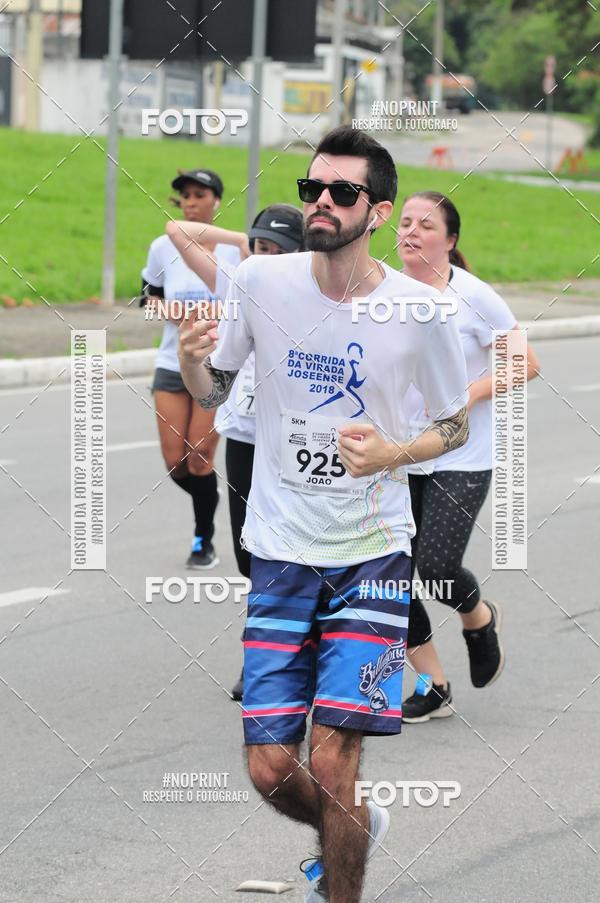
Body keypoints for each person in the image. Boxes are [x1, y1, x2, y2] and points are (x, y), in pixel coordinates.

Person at [178, 126, 470, 903]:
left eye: (342, 193)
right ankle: (354, 827)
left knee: (335, 755)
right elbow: (215, 393)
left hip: (373, 553)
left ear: (376, 211)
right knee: (271, 766)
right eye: (313, 189)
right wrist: (189, 359)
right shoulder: (261, 286)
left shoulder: (420, 310)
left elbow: (455, 424)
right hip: (280, 548)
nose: (322, 203)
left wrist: (393, 454)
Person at [397, 191, 540, 723]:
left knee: (434, 569)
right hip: (396, 455)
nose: (411, 231)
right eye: (405, 222)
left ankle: (478, 619)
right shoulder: (378, 291)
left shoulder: (475, 297)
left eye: (426, 225)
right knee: (386, 573)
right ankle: (432, 684)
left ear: (450, 240)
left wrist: (468, 397)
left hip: (462, 453)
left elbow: (525, 363)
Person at [166, 204, 304, 700]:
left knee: (294, 552)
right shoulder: (237, 279)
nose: (264, 257)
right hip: (245, 436)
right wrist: (245, 243)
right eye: (260, 247)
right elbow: (177, 229)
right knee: (251, 556)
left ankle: (276, 660)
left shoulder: (312, 292)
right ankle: (266, 655)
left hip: (294, 439)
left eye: (276, 249)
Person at [141, 168, 240, 568]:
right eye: (186, 196)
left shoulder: (235, 251)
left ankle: (204, 538)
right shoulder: (162, 248)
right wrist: (172, 310)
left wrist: (220, 313)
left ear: (217, 201)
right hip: (172, 361)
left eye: (200, 195)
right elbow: (146, 304)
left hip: (217, 365)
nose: (192, 202)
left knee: (199, 459)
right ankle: (207, 500)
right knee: (175, 462)